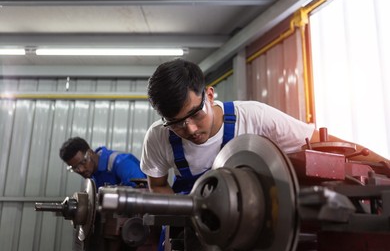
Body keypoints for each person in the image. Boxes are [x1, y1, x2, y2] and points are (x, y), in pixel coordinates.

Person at [140, 58, 390, 195]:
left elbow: (324, 144)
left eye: (195, 114)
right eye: (176, 124)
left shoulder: (256, 117)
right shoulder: (158, 137)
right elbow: (158, 184)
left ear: (210, 95)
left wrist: (385, 167)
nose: (191, 129)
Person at [59, 136, 147, 189]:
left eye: (83, 162)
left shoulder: (121, 163)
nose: (81, 170)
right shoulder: (93, 176)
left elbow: (143, 192)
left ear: (90, 153)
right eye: (75, 168)